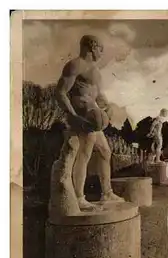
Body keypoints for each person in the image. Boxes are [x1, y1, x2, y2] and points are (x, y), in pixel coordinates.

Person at [55, 35, 124, 210]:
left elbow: (97, 95)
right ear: (92, 47)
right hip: (84, 117)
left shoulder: (95, 71)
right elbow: (61, 92)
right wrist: (73, 116)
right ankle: (79, 197)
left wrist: (106, 106)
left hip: (94, 116)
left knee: (104, 152)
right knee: (84, 156)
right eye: (101, 49)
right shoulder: (75, 65)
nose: (102, 53)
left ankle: (106, 193)